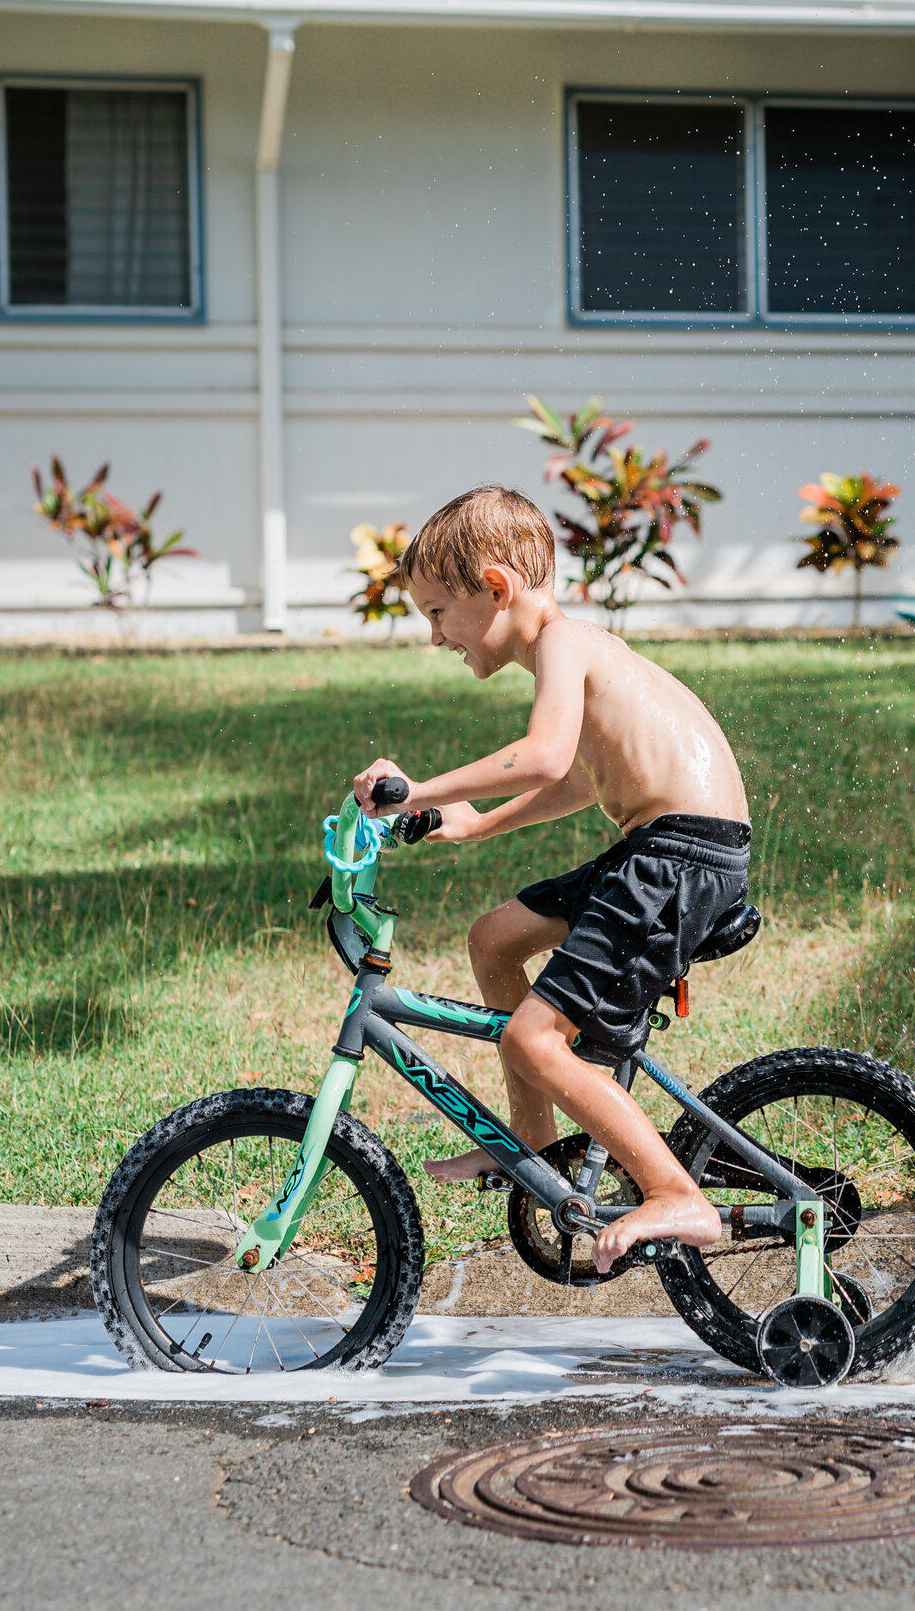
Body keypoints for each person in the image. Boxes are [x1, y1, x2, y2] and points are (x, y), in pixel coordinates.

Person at [349, 485, 746, 1273]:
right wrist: (475, 821)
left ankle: (675, 1193)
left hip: (679, 857)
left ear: (496, 589)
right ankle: (529, 1143)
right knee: (493, 940)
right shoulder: (575, 651)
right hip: (665, 849)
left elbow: (542, 756)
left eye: (437, 613)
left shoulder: (565, 643)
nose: (435, 638)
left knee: (536, 1035)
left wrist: (417, 789)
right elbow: (579, 780)